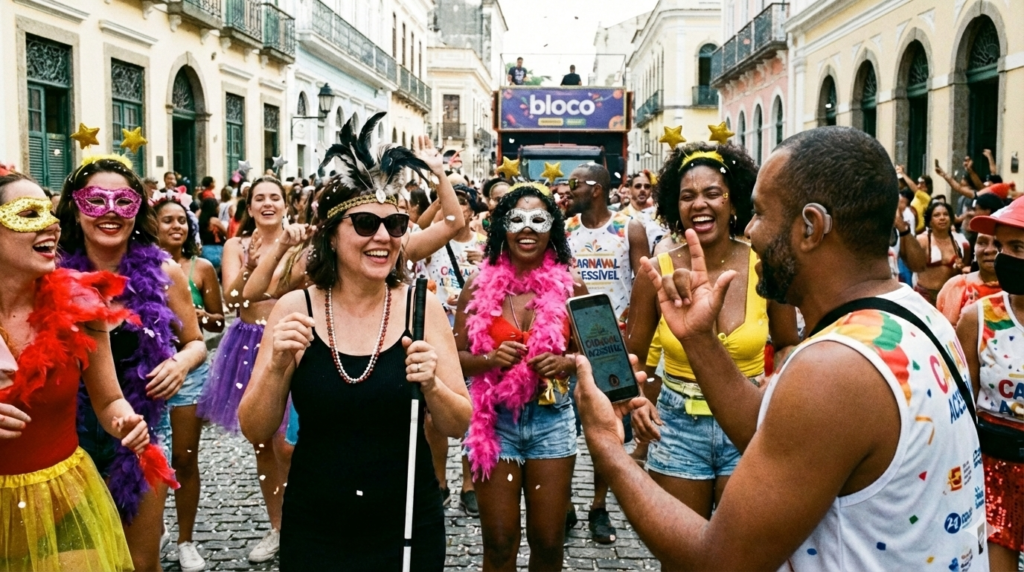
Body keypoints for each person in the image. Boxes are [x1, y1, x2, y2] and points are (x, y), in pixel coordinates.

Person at [575, 126, 985, 570]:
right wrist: (699, 339)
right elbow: (775, 438)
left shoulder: (834, 368)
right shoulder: (919, 317)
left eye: (760, 213)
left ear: (810, 227)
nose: (750, 229)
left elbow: (721, 561)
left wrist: (609, 449)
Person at [238, 114, 471, 571]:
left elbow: (458, 422)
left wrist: (433, 387)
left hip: (406, 524)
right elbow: (255, 429)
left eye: (395, 225)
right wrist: (277, 367)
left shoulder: (422, 310)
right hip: (315, 525)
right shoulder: (295, 309)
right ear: (331, 233)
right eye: (364, 223)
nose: (382, 237)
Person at [624, 142, 800, 521]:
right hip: (676, 426)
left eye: (712, 193)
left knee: (742, 554)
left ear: (733, 203)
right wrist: (637, 400)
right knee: (683, 554)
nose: (699, 204)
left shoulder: (764, 263)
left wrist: (776, 377)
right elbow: (630, 357)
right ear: (675, 206)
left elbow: (787, 343)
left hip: (749, 420)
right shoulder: (655, 271)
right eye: (687, 196)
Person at [57, 156, 208, 572]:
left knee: (139, 562)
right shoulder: (50, 273)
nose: (109, 212)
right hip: (66, 438)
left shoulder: (164, 271)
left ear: (138, 211)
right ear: (74, 206)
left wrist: (181, 362)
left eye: (123, 201)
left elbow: (197, 343)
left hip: (141, 433)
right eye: (94, 200)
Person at [0, 172, 150, 571]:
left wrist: (124, 421)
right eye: (28, 214)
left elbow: (109, 400)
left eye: (50, 212)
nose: (51, 223)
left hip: (63, 502)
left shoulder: (80, 308)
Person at [454, 182, 587, 571]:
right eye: (517, 219)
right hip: (495, 423)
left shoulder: (572, 287)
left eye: (538, 219)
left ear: (553, 228)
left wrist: (566, 364)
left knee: (548, 542)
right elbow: (455, 357)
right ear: (502, 228)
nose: (527, 228)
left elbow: (595, 353)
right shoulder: (478, 286)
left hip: (552, 420)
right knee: (499, 543)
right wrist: (489, 360)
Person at [196, 176, 303, 564]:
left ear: (286, 202)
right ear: (250, 205)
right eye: (260, 198)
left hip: (294, 342)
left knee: (289, 444)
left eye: (275, 196)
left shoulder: (300, 241)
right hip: (247, 344)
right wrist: (250, 267)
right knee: (262, 441)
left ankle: (301, 518)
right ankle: (277, 526)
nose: (268, 203)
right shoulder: (235, 245)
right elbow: (233, 297)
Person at [561, 162, 648, 543]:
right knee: (565, 429)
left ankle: (599, 506)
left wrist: (634, 343)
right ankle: (563, 504)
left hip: (613, 347)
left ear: (596, 189)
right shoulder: (564, 230)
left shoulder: (629, 228)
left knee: (608, 431)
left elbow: (643, 285)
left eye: (575, 185)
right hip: (569, 345)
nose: (568, 191)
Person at [153, 193, 225, 572]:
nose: (176, 226)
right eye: (168, 221)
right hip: (145, 373)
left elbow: (218, 322)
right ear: (153, 226)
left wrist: (197, 316)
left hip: (189, 372)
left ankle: (185, 539)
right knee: (148, 460)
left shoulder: (201, 269)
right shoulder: (140, 268)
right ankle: (154, 528)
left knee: (183, 458)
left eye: (181, 221)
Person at [957, 196, 1024, 572]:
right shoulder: (977, 318)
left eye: (1018, 248)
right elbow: (961, 406)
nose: (1003, 257)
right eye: (1001, 247)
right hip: (993, 475)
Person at [935, 231, 1000, 325]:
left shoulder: (1018, 291)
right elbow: (944, 333)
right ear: (974, 249)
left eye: (997, 243)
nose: (989, 250)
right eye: (982, 242)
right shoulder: (956, 286)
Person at [914, 200, 971, 305]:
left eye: (946, 214)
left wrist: (958, 269)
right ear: (930, 221)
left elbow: (963, 271)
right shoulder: (922, 240)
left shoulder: (959, 241)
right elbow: (913, 266)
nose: (942, 218)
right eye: (937, 215)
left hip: (948, 296)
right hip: (925, 296)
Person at [198, 197, 227, 272]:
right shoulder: (215, 221)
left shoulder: (200, 219)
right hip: (217, 250)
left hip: (204, 250)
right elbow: (227, 233)